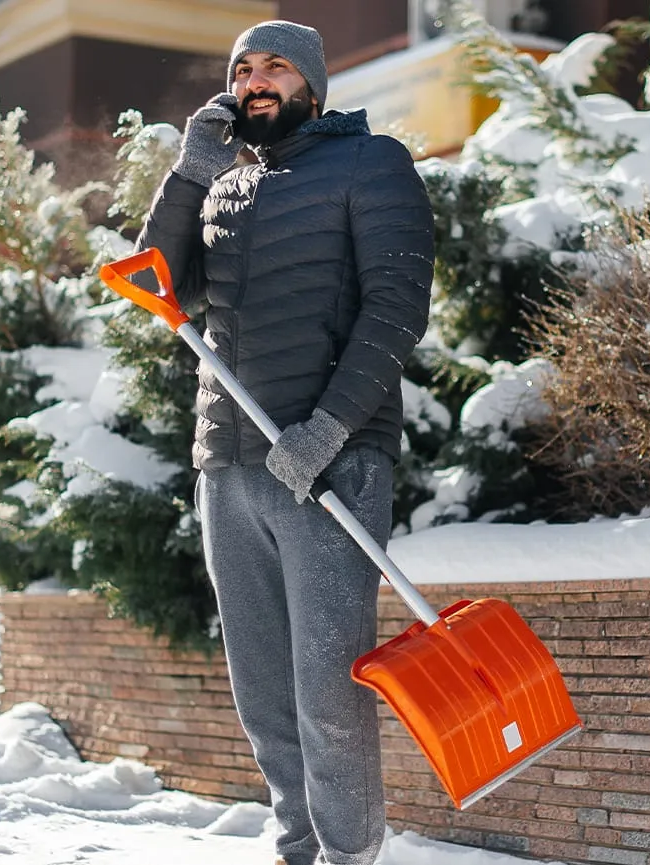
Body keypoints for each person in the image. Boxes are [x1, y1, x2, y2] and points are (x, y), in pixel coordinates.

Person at [132, 18, 435, 865]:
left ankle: (349, 855)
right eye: (243, 69)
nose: (256, 81)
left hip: (330, 462)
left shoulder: (372, 165)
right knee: (264, 692)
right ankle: (297, 848)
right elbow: (157, 285)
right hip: (228, 461)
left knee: (327, 694)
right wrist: (191, 168)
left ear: (311, 83)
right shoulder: (225, 181)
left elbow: (395, 309)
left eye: (275, 68)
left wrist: (329, 430)